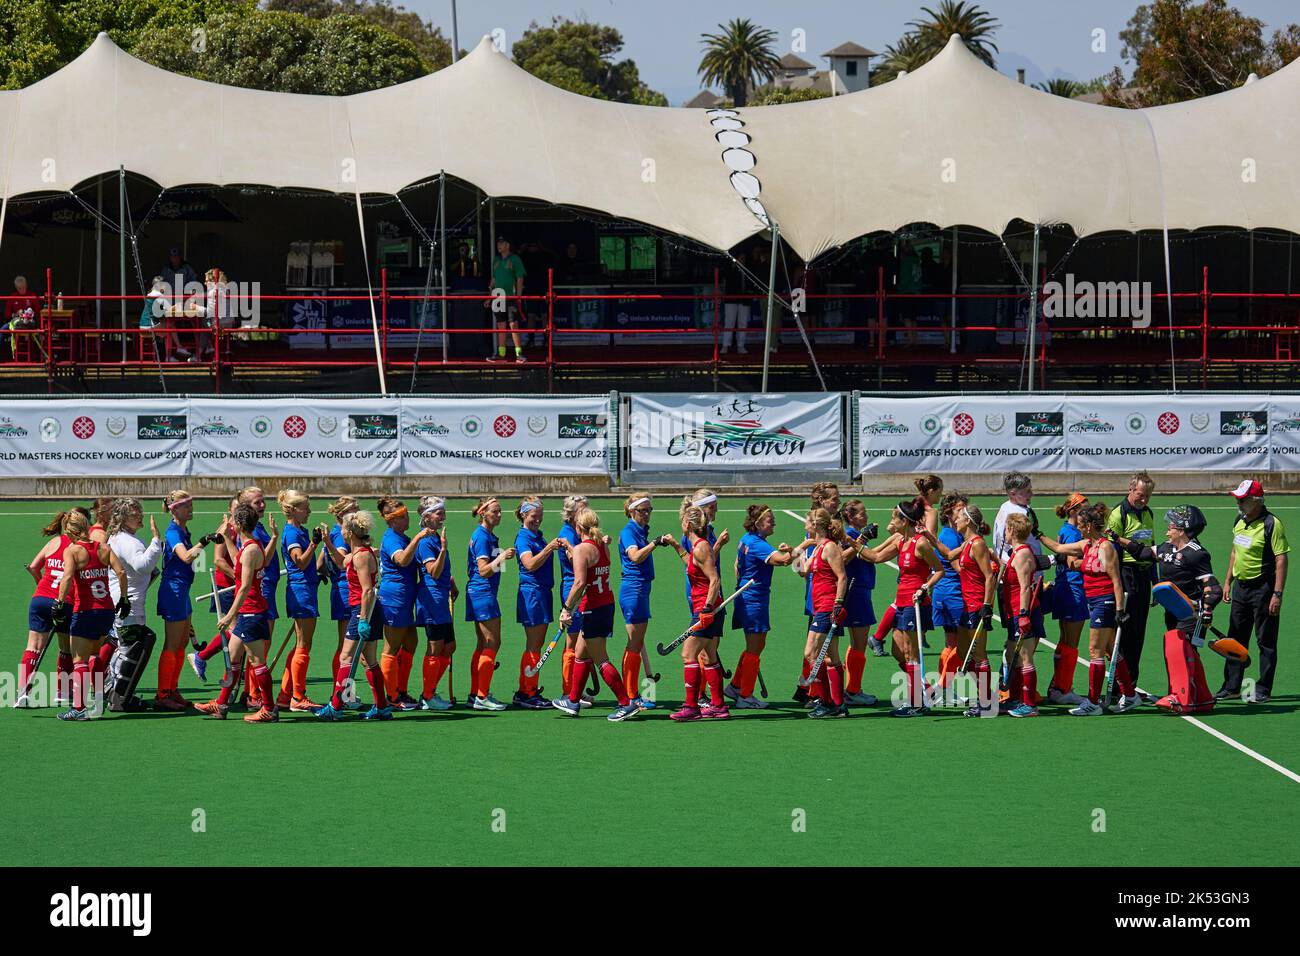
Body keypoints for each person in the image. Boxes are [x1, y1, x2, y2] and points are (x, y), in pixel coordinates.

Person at [1115, 505, 1222, 713]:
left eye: (1171, 526)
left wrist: (1207, 609)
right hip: (1173, 611)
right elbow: (1143, 552)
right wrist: (1118, 539)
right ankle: (1202, 697)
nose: (1167, 530)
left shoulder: (1197, 555)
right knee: (1187, 653)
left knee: (1179, 651)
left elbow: (1212, 587)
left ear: (1182, 529)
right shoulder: (1166, 548)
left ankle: (1180, 696)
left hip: (1193, 614)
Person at [552, 507, 641, 721]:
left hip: (593, 608)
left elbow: (580, 582)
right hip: (605, 605)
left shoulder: (583, 549)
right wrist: (572, 549)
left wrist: (566, 609)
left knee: (601, 658)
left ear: (578, 526)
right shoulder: (601, 545)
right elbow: (590, 566)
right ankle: (573, 701)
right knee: (581, 654)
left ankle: (625, 702)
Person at [1041, 504, 1130, 715]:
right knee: (1109, 650)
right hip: (1095, 602)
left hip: (1105, 602)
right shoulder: (1086, 544)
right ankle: (1131, 695)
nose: (1079, 529)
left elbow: (1116, 580)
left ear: (1090, 526)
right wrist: (1038, 534)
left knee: (1095, 651)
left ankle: (1092, 702)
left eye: (1081, 525)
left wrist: (1119, 610)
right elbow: (1059, 549)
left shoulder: (1106, 547)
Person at [196, 503, 280, 723]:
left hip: (251, 612)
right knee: (233, 659)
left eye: (233, 521)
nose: (230, 523)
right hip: (247, 613)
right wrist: (226, 540)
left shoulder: (252, 549)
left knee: (257, 662)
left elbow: (243, 587)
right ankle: (221, 704)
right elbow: (237, 560)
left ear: (240, 523)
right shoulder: (247, 546)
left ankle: (269, 709)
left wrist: (228, 615)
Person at [313, 510, 392, 720]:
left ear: (349, 532)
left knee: (345, 657)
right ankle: (382, 706)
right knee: (369, 660)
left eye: (343, 528)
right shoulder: (357, 554)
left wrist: (363, 619)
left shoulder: (362, 556)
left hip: (364, 610)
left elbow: (367, 589)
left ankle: (336, 706)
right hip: (368, 610)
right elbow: (341, 562)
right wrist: (328, 542)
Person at [53, 511, 129, 721]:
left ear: (70, 531)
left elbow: (67, 577)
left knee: (79, 661)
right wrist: (124, 598)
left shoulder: (73, 551)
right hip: (106, 611)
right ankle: (97, 703)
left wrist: (59, 603)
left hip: (85, 611)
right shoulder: (104, 548)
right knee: (95, 655)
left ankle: (79, 708)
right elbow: (121, 572)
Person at [1219, 479, 1289, 703]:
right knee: (1235, 639)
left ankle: (1263, 688)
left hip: (1263, 589)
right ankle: (1231, 686)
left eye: (1243, 499)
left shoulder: (1272, 524)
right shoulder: (1239, 519)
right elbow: (1234, 552)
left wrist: (1277, 594)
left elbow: (1281, 559)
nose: (1239, 503)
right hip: (1241, 587)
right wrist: (1228, 580)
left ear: (1256, 500)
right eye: (1238, 498)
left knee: (1265, 641)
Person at [924, 504, 997, 716]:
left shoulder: (977, 545)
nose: (955, 521)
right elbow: (947, 555)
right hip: (966, 606)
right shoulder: (967, 543)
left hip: (976, 607)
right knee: (965, 653)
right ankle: (984, 698)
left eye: (958, 518)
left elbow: (989, 576)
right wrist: (928, 536)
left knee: (980, 655)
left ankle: (987, 703)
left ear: (968, 521)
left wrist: (987, 605)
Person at [16, 508, 89, 708]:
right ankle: (63, 692)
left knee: (33, 646)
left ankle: (22, 692)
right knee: (65, 647)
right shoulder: (79, 548)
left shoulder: (53, 543)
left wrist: (40, 584)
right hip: (64, 602)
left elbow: (33, 567)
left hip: (40, 599)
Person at [724, 504, 794, 709]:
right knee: (755, 647)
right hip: (754, 600)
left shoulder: (746, 540)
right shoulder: (758, 545)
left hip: (748, 597)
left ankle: (736, 685)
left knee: (755, 645)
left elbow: (736, 565)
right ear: (757, 524)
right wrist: (799, 548)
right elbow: (782, 561)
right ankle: (746, 696)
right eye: (770, 520)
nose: (774, 523)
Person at [155, 490, 217, 712]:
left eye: (191, 504)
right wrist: (205, 541)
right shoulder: (173, 532)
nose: (190, 509)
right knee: (171, 645)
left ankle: (172, 689)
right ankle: (162, 694)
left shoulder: (183, 530)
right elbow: (186, 556)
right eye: (185, 505)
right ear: (174, 509)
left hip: (182, 590)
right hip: (173, 591)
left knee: (181, 645)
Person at [883, 498, 945, 717]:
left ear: (904, 521)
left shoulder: (921, 543)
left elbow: (939, 570)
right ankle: (922, 695)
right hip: (901, 602)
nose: (891, 520)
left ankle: (916, 703)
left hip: (915, 603)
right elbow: (875, 556)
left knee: (911, 653)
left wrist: (925, 587)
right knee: (899, 650)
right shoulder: (902, 541)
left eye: (894, 517)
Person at [667, 504, 729, 721]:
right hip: (709, 608)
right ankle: (719, 706)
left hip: (706, 609)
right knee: (710, 656)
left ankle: (691, 707)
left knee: (688, 655)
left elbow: (715, 579)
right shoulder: (698, 547)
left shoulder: (702, 547)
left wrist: (707, 609)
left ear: (688, 524)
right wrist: (676, 546)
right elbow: (693, 564)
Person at [105, 498, 164, 712]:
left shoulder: (119, 538)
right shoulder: (127, 541)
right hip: (128, 604)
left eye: (139, 511)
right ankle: (119, 699)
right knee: (133, 647)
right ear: (122, 518)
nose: (139, 515)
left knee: (132, 644)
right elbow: (143, 566)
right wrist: (156, 541)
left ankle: (115, 694)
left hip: (123, 601)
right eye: (133, 513)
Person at [839, 500, 898, 707]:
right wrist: (894, 541)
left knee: (856, 643)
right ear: (852, 516)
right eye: (862, 513)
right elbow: (865, 556)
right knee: (859, 643)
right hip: (857, 591)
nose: (866, 515)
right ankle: (853, 690)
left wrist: (893, 540)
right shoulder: (850, 534)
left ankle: (851, 688)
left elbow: (871, 553)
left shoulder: (854, 534)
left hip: (860, 589)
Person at [1104, 471, 1156, 697]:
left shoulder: (1148, 513)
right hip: (1126, 575)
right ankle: (1117, 687)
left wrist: (1156, 582)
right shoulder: (1118, 514)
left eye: (1148, 496)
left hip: (1143, 577)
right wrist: (1115, 585)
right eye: (1141, 495)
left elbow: (1151, 547)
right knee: (1123, 635)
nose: (1144, 500)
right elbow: (1110, 553)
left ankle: (1131, 686)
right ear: (1131, 490)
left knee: (1138, 634)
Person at [275, 490, 328, 712]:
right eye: (305, 508)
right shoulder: (292, 533)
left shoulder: (300, 530)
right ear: (294, 510)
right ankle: (298, 696)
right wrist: (314, 545)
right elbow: (300, 561)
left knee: (302, 644)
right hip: (300, 591)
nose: (309, 512)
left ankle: (286, 695)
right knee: (303, 644)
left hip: (306, 588)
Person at [512, 495, 566, 709]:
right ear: (525, 515)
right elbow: (529, 564)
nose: (538, 520)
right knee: (534, 646)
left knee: (536, 644)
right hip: (532, 594)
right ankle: (527, 692)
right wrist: (548, 549)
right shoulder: (523, 538)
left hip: (542, 593)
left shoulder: (537, 535)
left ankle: (528, 688)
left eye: (540, 516)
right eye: (534, 516)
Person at [617, 493, 670, 709]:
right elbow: (635, 556)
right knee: (634, 644)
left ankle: (635, 693)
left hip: (642, 589)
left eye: (649, 510)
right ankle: (630, 694)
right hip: (633, 589)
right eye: (643, 510)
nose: (647, 514)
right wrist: (655, 544)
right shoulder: (629, 531)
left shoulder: (640, 530)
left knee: (637, 643)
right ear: (632, 511)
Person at [375, 496, 428, 711]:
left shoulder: (402, 537)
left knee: (411, 643)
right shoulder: (392, 539)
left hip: (406, 597)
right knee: (392, 647)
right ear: (392, 520)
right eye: (404, 517)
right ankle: (391, 695)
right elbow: (402, 560)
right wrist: (418, 539)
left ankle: (401, 689)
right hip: (394, 597)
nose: (408, 520)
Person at [465, 496, 517, 710]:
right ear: (483, 513)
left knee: (483, 644)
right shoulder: (482, 537)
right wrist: (502, 557)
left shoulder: (488, 536)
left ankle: (476, 692)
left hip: (483, 593)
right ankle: (482, 696)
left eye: (499, 511)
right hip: (482, 593)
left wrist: (500, 559)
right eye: (494, 511)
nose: (498, 515)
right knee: (492, 643)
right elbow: (484, 570)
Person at [801, 508, 851, 719]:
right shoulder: (818, 548)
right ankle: (838, 704)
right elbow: (802, 570)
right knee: (831, 657)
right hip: (819, 607)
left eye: (807, 521)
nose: (805, 524)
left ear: (816, 525)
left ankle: (827, 701)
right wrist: (802, 548)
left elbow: (842, 576)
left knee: (811, 653)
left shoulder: (830, 548)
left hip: (827, 607)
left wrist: (838, 603)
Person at [414, 497, 458, 711]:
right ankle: (427, 696)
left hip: (441, 598)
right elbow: (433, 571)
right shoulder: (424, 543)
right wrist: (442, 550)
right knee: (435, 648)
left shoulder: (435, 538)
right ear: (427, 516)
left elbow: (443, 572)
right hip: (431, 600)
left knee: (449, 646)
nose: (443, 517)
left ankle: (430, 691)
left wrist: (451, 583)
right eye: (439, 513)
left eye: (443, 512)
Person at [1047, 493, 1089, 706]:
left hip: (1064, 587)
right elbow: (1073, 562)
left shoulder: (1066, 530)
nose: (1087, 515)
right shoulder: (1073, 534)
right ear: (1073, 511)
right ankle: (1063, 689)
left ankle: (1057, 686)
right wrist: (1098, 560)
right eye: (1083, 510)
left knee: (1064, 641)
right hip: (1074, 588)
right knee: (1071, 643)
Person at [240, 486, 281, 708]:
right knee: (258, 647)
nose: (263, 505)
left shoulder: (259, 526)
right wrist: (275, 538)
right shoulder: (252, 532)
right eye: (258, 503)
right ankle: (254, 694)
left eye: (263, 501)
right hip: (262, 590)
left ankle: (250, 690)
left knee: (260, 645)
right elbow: (262, 560)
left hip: (269, 589)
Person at [930, 490, 967, 695]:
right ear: (948, 512)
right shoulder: (951, 537)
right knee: (963, 644)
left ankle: (945, 685)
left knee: (950, 642)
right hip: (953, 593)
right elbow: (959, 567)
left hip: (945, 592)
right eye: (960, 509)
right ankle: (944, 685)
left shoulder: (951, 534)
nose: (964, 513)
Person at [557, 494, 591, 705]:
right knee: (572, 642)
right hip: (573, 587)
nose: (587, 513)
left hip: (583, 587)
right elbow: (575, 559)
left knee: (582, 642)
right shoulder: (566, 534)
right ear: (571, 514)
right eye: (582, 510)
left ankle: (575, 691)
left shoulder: (579, 532)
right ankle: (568, 692)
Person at [484, 235, 527, 363]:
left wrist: (518, 296)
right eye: (498, 243)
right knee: (500, 325)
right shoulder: (496, 261)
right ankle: (501, 354)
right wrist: (489, 297)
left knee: (513, 324)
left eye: (502, 243)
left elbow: (520, 278)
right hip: (498, 295)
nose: (499, 245)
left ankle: (519, 354)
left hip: (510, 296)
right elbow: (493, 280)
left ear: (508, 245)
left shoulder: (515, 259)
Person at [721, 249, 751, 355]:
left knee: (743, 323)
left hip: (745, 300)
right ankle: (725, 345)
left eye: (744, 259)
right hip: (731, 299)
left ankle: (741, 346)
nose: (743, 260)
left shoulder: (748, 270)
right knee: (729, 322)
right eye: (741, 258)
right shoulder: (730, 269)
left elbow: (751, 285)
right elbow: (725, 282)